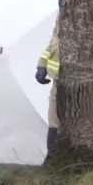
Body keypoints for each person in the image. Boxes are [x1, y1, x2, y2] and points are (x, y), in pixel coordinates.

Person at [35, 17, 60, 155]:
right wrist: (42, 65)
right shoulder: (62, 15)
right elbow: (53, 43)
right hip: (58, 81)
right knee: (54, 123)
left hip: (79, 83)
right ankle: (52, 159)